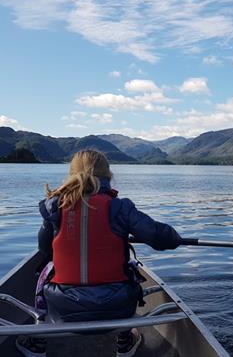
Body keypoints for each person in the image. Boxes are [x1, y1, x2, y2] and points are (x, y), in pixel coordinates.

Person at [16, 150, 182, 357]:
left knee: (46, 270)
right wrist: (175, 238)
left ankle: (37, 340)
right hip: (118, 304)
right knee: (131, 265)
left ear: (72, 173)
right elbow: (160, 238)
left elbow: (44, 249)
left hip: (63, 307)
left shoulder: (55, 207)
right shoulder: (120, 208)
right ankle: (124, 338)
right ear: (108, 175)